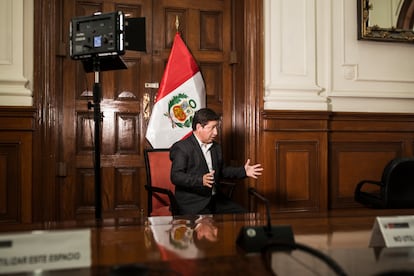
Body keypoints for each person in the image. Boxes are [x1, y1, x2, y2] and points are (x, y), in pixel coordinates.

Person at [170, 108, 263, 215]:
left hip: (215, 200)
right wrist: (200, 180)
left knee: (244, 215)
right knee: (208, 225)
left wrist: (243, 171)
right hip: (193, 203)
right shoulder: (182, 148)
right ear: (199, 127)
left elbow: (222, 171)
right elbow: (176, 176)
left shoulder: (216, 147)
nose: (216, 132)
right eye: (212, 128)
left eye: (216, 127)